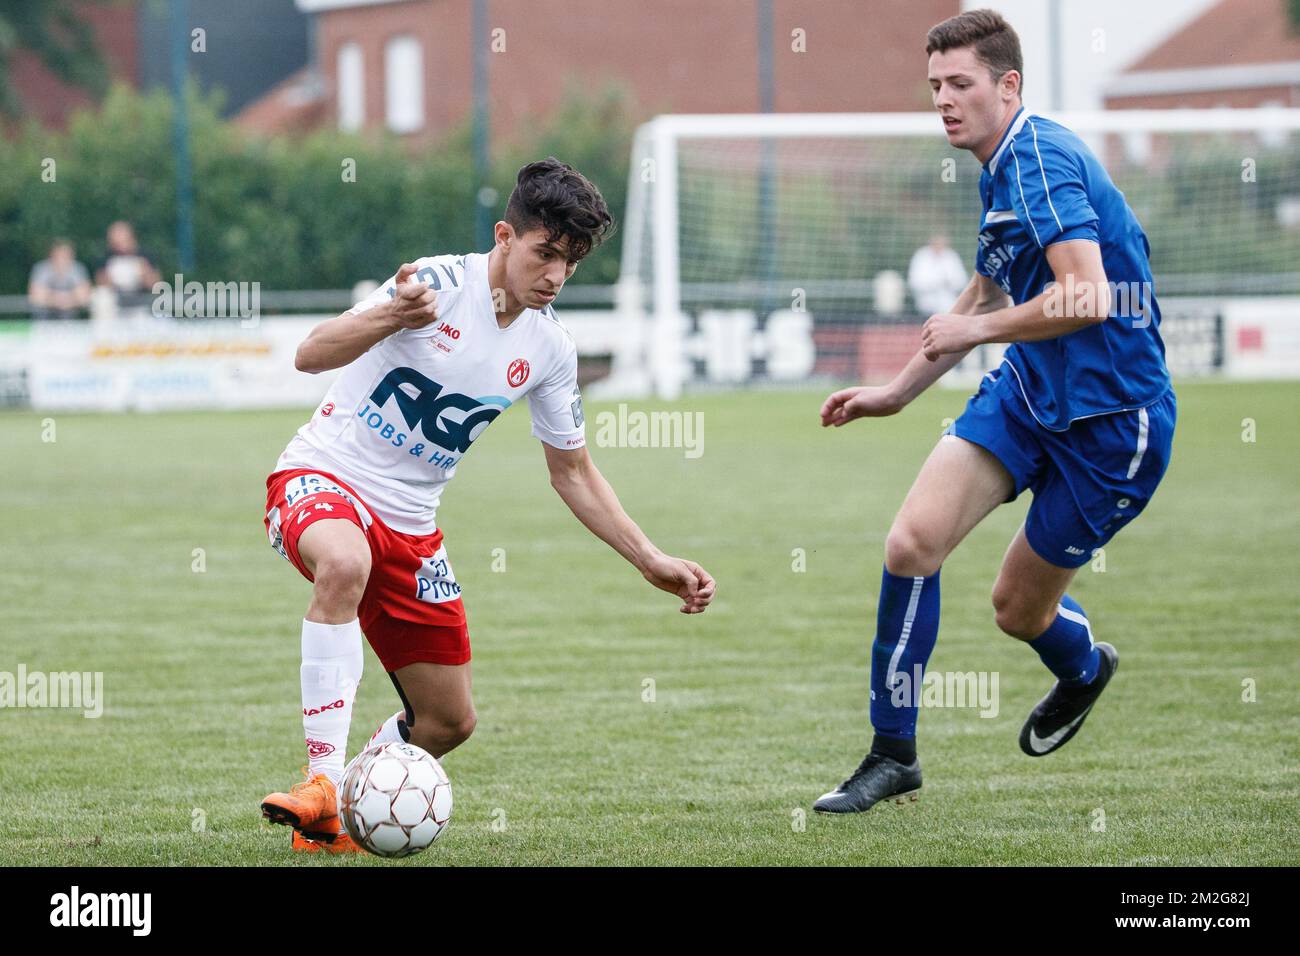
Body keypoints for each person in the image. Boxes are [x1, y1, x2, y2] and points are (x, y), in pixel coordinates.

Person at [259, 158, 717, 852]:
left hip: (412, 528)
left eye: (571, 262)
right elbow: (310, 353)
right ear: (505, 235)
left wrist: (649, 558)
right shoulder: (437, 285)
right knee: (344, 561)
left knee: (448, 722)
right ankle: (321, 781)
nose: (556, 276)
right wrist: (390, 315)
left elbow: (573, 472)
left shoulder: (550, 347)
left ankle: (340, 811)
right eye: (546, 253)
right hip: (323, 479)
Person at [813, 9, 1176, 813]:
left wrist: (976, 328)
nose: (943, 100)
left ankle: (1084, 667)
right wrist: (895, 393)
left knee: (1017, 609)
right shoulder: (999, 168)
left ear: (1008, 86)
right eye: (935, 85)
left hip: (1114, 426)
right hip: (1029, 391)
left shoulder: (1040, 153)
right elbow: (985, 286)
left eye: (961, 84)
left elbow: (1085, 294)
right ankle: (892, 753)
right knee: (912, 543)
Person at [93, 221, 159, 303]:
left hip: (143, 303)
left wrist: (145, 272)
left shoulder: (145, 256)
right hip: (116, 304)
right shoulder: (105, 259)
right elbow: (100, 286)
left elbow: (156, 285)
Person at [28, 240, 92, 320]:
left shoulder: (78, 269)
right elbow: (36, 297)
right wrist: (62, 300)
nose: (61, 258)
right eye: (59, 255)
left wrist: (55, 299)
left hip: (71, 315)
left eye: (65, 255)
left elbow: (84, 298)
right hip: (45, 315)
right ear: (51, 255)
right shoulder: (41, 269)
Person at [907, 233, 967, 317]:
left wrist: (949, 283)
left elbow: (961, 281)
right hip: (926, 301)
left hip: (948, 301)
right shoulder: (921, 256)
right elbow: (915, 282)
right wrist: (936, 283)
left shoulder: (952, 256)